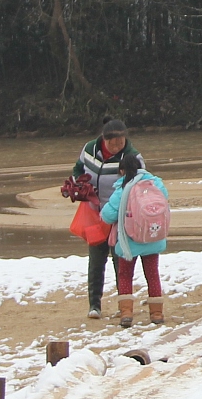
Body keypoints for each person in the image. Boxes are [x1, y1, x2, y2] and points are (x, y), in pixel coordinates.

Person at [72, 119, 139, 319]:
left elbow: (139, 182)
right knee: (96, 259)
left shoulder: (131, 156)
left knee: (121, 261)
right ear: (104, 139)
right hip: (95, 213)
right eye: (113, 143)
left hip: (120, 217)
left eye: (121, 142)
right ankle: (95, 305)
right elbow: (78, 169)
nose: (118, 146)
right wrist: (79, 186)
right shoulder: (90, 149)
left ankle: (123, 305)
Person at [97, 152, 168, 327]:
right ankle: (157, 314)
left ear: (122, 170)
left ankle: (126, 313)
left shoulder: (123, 189)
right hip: (153, 236)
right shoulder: (156, 183)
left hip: (129, 240)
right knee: (152, 274)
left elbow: (108, 215)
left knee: (125, 275)